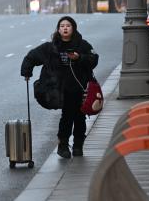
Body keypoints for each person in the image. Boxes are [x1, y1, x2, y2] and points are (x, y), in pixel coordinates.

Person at [20, 16, 98, 158]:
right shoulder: (51, 47)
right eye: (62, 26)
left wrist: (79, 58)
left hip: (80, 88)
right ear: (58, 29)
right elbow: (31, 57)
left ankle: (78, 145)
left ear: (73, 28)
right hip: (61, 89)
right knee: (67, 117)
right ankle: (63, 146)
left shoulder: (82, 45)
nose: (65, 28)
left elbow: (93, 60)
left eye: (68, 25)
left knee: (80, 117)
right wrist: (26, 72)